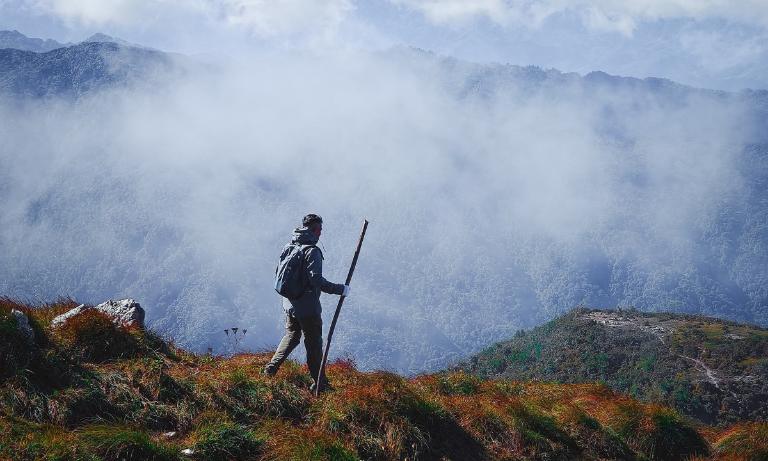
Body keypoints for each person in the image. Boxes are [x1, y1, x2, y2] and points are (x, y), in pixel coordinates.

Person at [263, 214, 350, 393]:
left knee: (292, 335)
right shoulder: (312, 251)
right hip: (307, 308)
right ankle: (320, 383)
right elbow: (316, 280)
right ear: (313, 230)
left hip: (289, 303)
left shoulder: (289, 246)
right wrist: (340, 289)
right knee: (314, 344)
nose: (321, 233)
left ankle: (271, 368)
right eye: (319, 230)